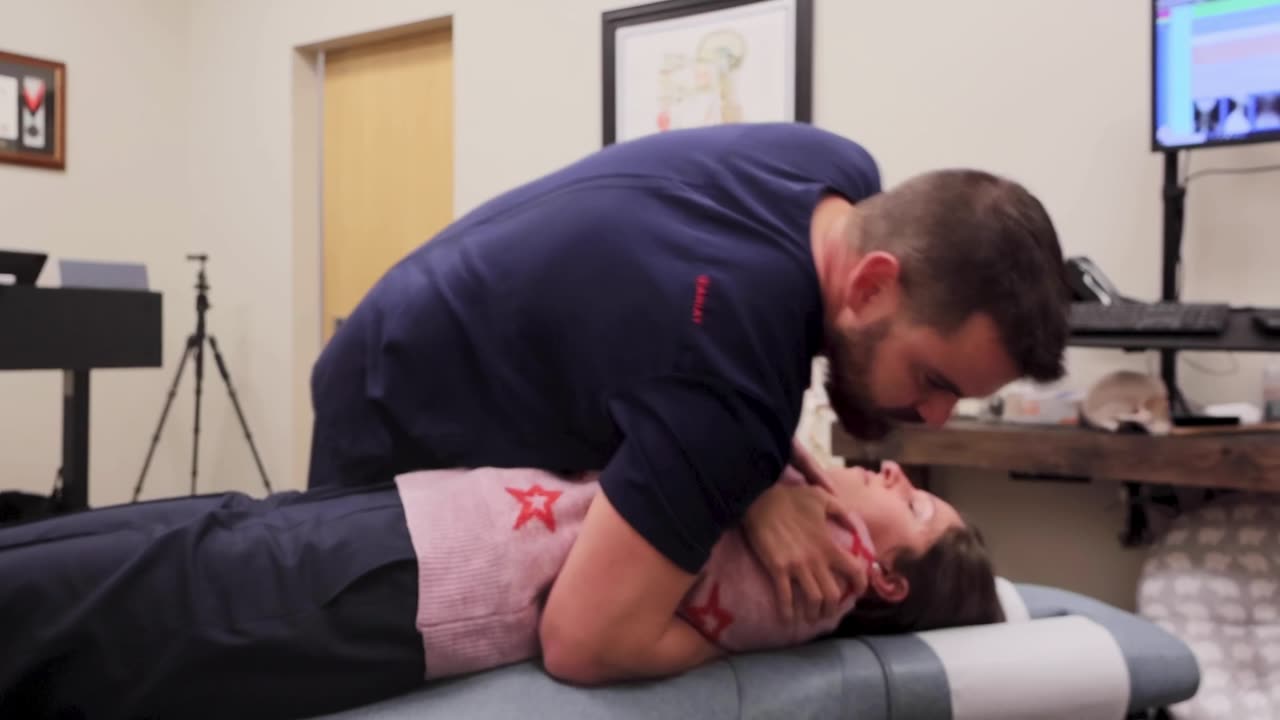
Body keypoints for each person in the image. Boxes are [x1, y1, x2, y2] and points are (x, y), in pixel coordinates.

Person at [307, 122, 1069, 681]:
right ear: (870, 283)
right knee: (341, 645)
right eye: (934, 380)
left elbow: (694, 317)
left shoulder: (835, 170)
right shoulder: (737, 404)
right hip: (396, 403)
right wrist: (749, 635)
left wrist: (759, 482)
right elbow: (585, 641)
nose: (934, 421)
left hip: (404, 307)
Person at [0, 459, 1000, 720]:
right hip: (418, 526)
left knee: (118, 602)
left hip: (421, 585)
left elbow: (591, 641)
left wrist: (772, 491)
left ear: (878, 583)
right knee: (166, 538)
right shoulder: (796, 504)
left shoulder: (803, 581)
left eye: (916, 513)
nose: (900, 477)